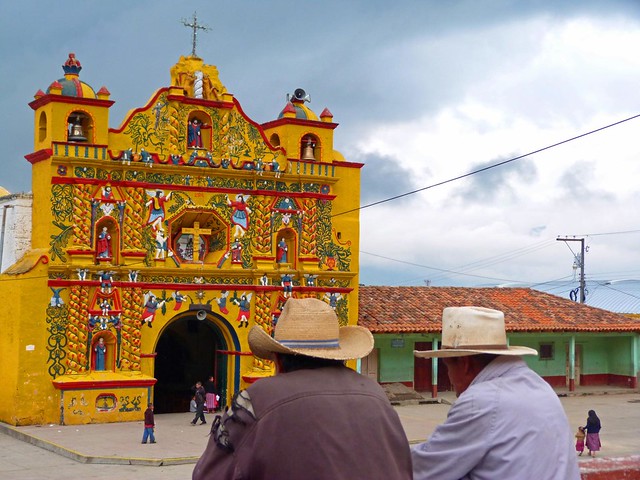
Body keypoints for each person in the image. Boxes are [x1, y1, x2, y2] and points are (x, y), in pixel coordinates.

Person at [193, 297, 412, 480]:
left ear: (277, 360)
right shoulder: (375, 394)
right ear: (340, 357)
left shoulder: (258, 399)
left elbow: (209, 475)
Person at [411, 306, 580, 480]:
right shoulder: (539, 385)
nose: (449, 377)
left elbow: (425, 468)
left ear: (465, 363)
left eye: (447, 367)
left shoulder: (479, 401)